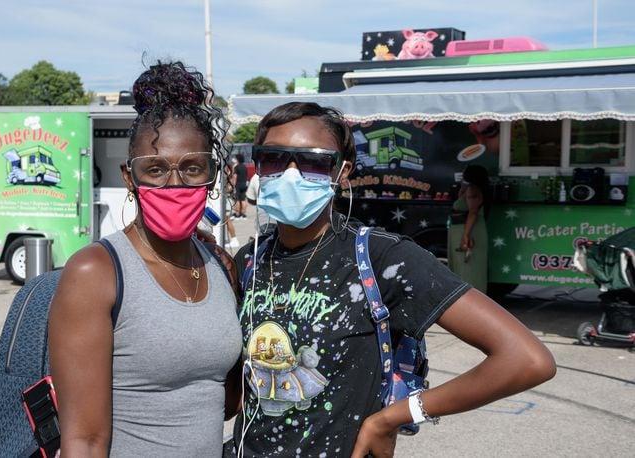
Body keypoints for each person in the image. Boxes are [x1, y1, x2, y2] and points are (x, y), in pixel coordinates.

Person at [228, 102, 555, 457]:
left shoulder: (382, 258)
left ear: (341, 172)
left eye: (313, 162)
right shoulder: (251, 260)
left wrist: (394, 416)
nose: (291, 174)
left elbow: (526, 359)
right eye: (274, 159)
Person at [48, 61, 243, 457]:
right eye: (154, 169)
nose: (174, 183)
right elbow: (83, 441)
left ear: (212, 175)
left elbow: (225, 402)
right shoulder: (95, 272)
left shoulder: (220, 265)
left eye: (192, 168)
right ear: (129, 177)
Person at [448, 164, 489, 293]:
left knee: (469, 267)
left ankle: (473, 296)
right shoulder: (469, 189)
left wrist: (466, 235)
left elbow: (473, 212)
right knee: (464, 265)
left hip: (468, 229)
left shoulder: (472, 190)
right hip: (463, 228)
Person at [231, 154, 249, 219]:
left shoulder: (236, 167)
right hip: (244, 184)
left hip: (238, 185)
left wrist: (233, 185)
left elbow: (235, 177)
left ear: (237, 159)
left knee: (237, 200)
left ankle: (237, 214)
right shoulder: (245, 167)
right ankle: (243, 214)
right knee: (243, 199)